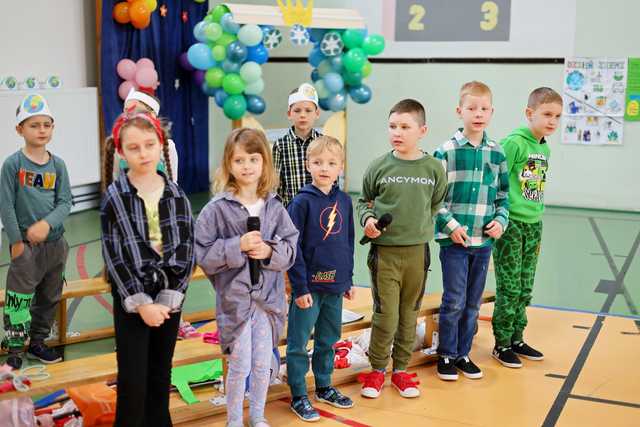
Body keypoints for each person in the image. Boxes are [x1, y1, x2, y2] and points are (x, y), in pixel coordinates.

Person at [195, 128, 298, 427]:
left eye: (254, 159)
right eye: (239, 160)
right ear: (228, 164)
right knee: (239, 365)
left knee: (263, 363)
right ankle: (233, 421)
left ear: (264, 162)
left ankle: (257, 416)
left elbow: (290, 249)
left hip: (268, 302)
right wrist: (236, 246)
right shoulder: (216, 210)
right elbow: (203, 254)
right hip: (236, 302)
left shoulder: (275, 207)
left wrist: (268, 251)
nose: (247, 166)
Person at [101, 111, 195, 426]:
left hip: (167, 299)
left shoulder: (176, 193)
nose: (143, 153)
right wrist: (142, 304)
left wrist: (167, 299)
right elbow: (115, 257)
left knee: (159, 374)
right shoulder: (115, 197)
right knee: (133, 378)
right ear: (121, 152)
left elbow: (186, 249)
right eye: (134, 147)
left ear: (160, 146)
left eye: (149, 145)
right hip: (133, 301)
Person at [356, 99, 447, 399]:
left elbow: (435, 204)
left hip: (417, 255)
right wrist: (368, 220)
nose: (398, 132)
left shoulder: (434, 168)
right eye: (393, 126)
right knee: (386, 315)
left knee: (410, 314)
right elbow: (363, 202)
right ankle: (377, 370)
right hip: (385, 255)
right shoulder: (378, 166)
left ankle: (401, 371)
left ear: (422, 130)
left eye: (405, 127)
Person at [433, 81, 509, 381]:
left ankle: (463, 353)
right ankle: (447, 354)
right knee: (453, 300)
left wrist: (501, 220)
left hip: (484, 242)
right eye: (472, 108)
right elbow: (435, 199)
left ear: (491, 112)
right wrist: (450, 226)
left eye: (484, 109)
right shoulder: (446, 152)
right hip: (456, 241)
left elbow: (504, 196)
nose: (478, 114)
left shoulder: (497, 153)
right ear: (459, 111)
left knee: (473, 303)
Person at [491, 87, 563, 368]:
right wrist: (498, 216)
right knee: (509, 286)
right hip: (512, 223)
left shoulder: (544, 146)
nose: (552, 121)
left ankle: (517, 338)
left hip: (534, 224)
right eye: (547, 114)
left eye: (557, 116)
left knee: (525, 286)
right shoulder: (514, 144)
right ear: (529, 113)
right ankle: (502, 343)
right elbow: (496, 180)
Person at [286, 136, 355, 421]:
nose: (324, 168)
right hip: (309, 288)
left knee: (329, 338)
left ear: (341, 167)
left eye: (330, 163)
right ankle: (299, 393)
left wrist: (347, 279)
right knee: (299, 342)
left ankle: (324, 386)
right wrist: (299, 286)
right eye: (317, 163)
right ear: (308, 165)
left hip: (335, 284)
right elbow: (292, 249)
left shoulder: (345, 200)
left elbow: (348, 242)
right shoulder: (301, 203)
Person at [0, 93, 72, 369]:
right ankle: (16, 348)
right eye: (34, 125)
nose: (42, 130)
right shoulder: (13, 164)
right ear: (20, 129)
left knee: (49, 296)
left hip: (55, 246)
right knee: (19, 298)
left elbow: (65, 202)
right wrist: (16, 241)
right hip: (25, 248)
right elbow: (6, 205)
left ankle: (39, 341)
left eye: (47, 124)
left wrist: (47, 224)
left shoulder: (58, 165)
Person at [272, 83, 322, 207]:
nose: (303, 115)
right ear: (289, 114)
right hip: (291, 212)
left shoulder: (323, 143)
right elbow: (275, 184)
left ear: (317, 113)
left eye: (308, 110)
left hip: (318, 209)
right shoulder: (280, 145)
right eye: (297, 110)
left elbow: (332, 180)